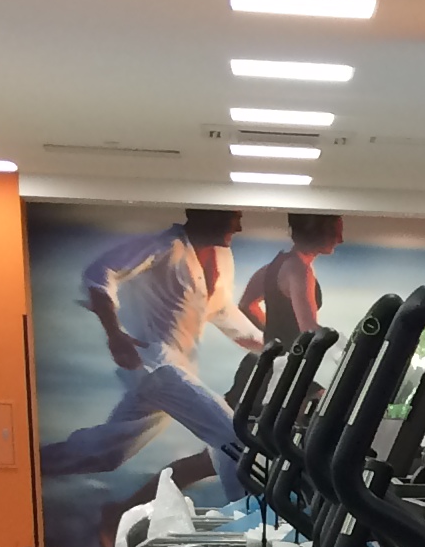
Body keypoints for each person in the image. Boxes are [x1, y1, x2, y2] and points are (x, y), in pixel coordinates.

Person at [36, 208, 264, 490]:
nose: (239, 227)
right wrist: (114, 333)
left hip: (173, 370)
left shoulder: (222, 257)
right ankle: (248, 509)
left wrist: (269, 345)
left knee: (106, 454)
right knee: (233, 436)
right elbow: (100, 274)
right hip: (156, 366)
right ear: (207, 215)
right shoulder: (165, 246)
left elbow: (221, 311)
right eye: (234, 218)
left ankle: (29, 463)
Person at [241, 212, 343, 343]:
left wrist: (274, 333)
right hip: (292, 353)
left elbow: (246, 305)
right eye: (334, 233)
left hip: (276, 352)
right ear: (315, 232)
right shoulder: (300, 270)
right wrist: (345, 345)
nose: (340, 239)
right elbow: (309, 328)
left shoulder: (272, 267)